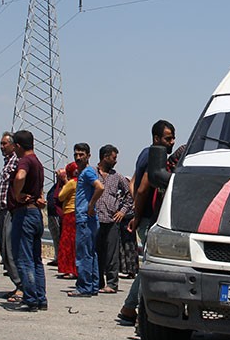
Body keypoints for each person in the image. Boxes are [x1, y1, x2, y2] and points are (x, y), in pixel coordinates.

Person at [118, 120, 177, 324]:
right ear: (156, 138)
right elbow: (142, 188)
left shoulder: (146, 153)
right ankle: (135, 309)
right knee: (152, 266)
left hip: (143, 217)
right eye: (168, 138)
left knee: (150, 264)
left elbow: (133, 181)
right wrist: (137, 215)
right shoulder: (154, 156)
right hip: (147, 219)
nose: (172, 142)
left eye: (173, 138)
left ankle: (130, 308)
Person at [5, 129, 47, 311]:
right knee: (36, 259)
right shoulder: (37, 162)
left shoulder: (25, 161)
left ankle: (30, 299)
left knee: (24, 259)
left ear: (18, 146)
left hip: (25, 214)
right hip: (36, 214)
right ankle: (40, 297)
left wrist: (17, 193)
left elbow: (20, 176)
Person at [93, 145, 129, 293]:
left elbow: (129, 194)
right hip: (94, 219)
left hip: (111, 220)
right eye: (113, 158)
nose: (115, 161)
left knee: (112, 254)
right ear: (105, 157)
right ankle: (98, 282)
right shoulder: (92, 173)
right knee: (96, 252)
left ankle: (112, 284)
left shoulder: (117, 177)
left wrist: (122, 211)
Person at [70, 142, 104, 297]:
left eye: (81, 154)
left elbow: (100, 187)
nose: (78, 157)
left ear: (88, 156)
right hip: (87, 218)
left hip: (85, 218)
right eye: (76, 154)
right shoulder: (84, 172)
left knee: (84, 254)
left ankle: (84, 286)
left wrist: (90, 205)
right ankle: (93, 285)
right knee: (91, 253)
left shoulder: (87, 173)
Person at [0, 132, 23, 300]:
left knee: (11, 249)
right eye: (1, 143)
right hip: (2, 211)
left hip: (11, 210)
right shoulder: (7, 162)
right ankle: (17, 284)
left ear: (14, 145)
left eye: (4, 143)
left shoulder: (17, 161)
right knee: (5, 250)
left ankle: (22, 285)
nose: (1, 146)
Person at [55, 164, 77, 279]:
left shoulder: (72, 183)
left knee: (68, 242)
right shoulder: (82, 181)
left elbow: (61, 196)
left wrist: (64, 181)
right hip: (78, 213)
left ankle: (69, 269)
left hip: (69, 213)